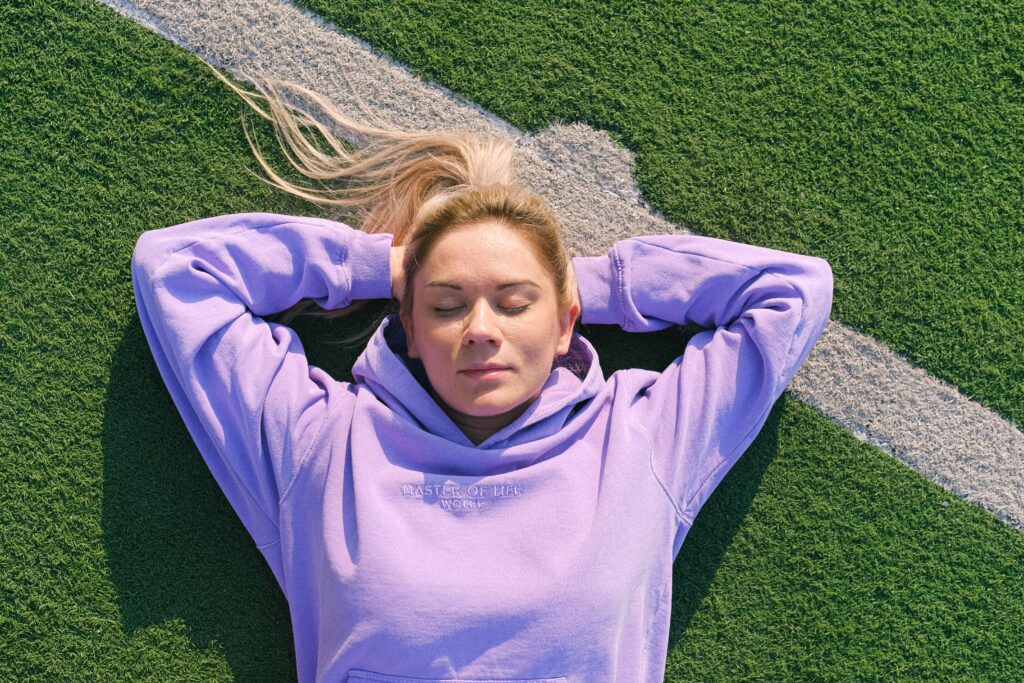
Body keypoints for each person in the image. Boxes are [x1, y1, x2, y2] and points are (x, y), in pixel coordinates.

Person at [131, 64, 833, 683]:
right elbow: (177, 271)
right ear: (408, 323)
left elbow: (791, 292)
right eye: (447, 304)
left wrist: (585, 282)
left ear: (564, 323)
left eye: (513, 302)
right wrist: (386, 266)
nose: (480, 329)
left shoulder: (641, 437)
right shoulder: (323, 444)